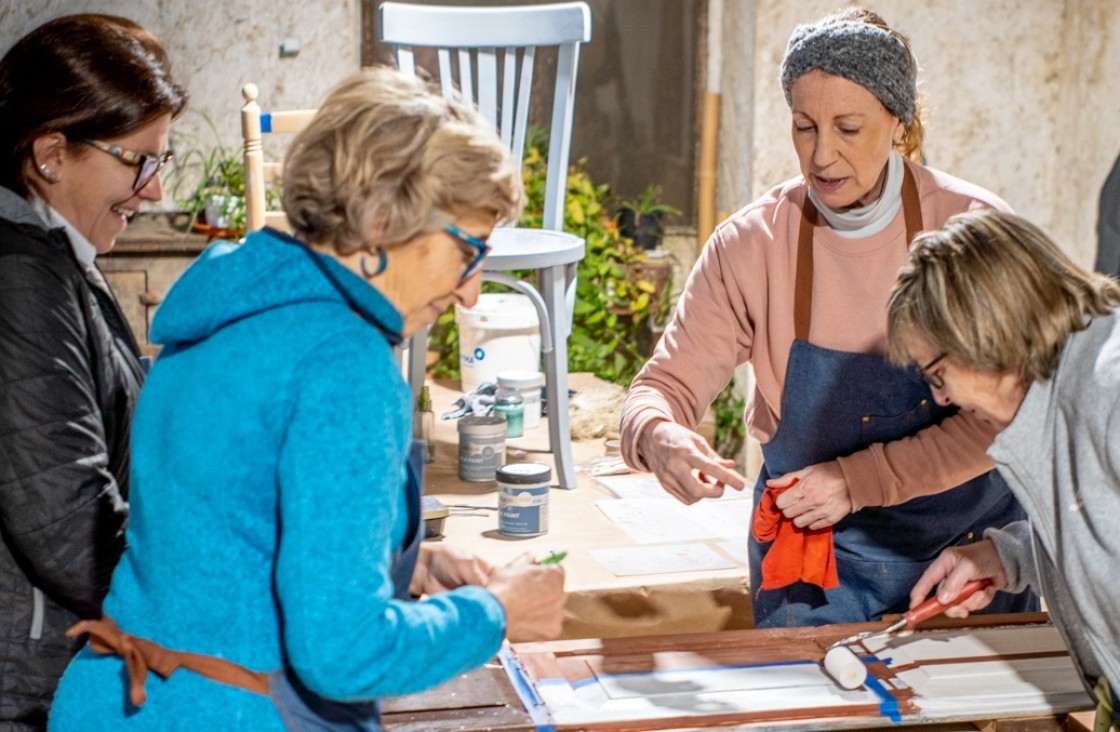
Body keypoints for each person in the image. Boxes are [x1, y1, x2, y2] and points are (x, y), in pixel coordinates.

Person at [48, 66, 566, 731]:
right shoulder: (344, 362)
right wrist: (493, 615)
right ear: (385, 220)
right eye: (469, 251)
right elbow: (343, 654)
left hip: (112, 698)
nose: (470, 291)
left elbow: (224, 535)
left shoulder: (223, 313)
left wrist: (405, 562)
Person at [619, 7, 1037, 627]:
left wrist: (860, 478)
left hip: (965, 557)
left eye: (848, 127)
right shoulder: (753, 244)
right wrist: (657, 435)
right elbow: (661, 387)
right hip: (818, 565)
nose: (821, 155)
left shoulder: (973, 229)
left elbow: (1013, 414)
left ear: (898, 121)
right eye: (804, 127)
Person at [0, 15, 186, 730]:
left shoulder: (59, 261)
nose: (155, 191)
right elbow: (71, 531)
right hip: (30, 690)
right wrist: (222, 584)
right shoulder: (20, 281)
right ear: (51, 153)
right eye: (139, 161)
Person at [887, 209, 1120, 731]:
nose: (940, 397)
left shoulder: (1112, 386)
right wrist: (1008, 554)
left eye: (938, 373)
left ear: (985, 331)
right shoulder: (1056, 393)